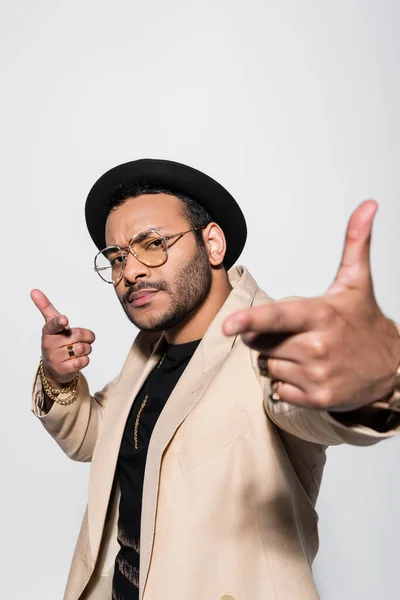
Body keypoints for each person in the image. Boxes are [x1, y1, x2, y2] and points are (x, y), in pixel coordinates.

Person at [31, 159, 400, 600]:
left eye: (152, 243)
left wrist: (373, 378)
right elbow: (96, 440)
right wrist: (58, 378)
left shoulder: (269, 342)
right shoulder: (147, 354)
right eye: (117, 257)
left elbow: (309, 401)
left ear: (213, 244)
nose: (130, 272)